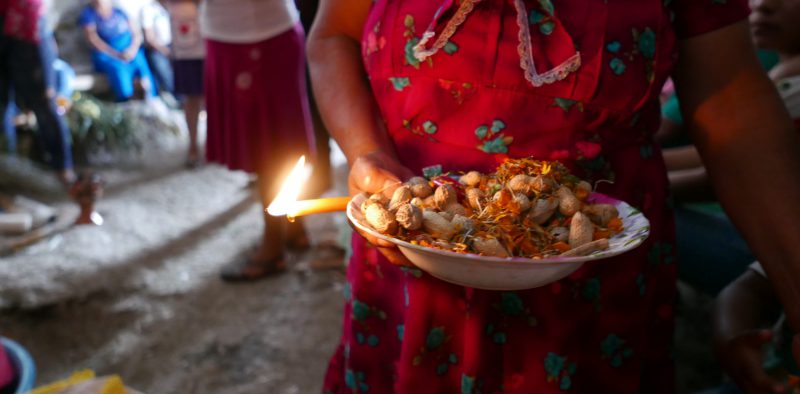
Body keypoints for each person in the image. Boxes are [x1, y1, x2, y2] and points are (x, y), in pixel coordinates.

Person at [308, 0, 800, 392]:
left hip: (591, 286)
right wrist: (364, 152)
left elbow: (732, 100)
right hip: (408, 271)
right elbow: (333, 35)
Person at [200, 0, 316, 281]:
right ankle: (294, 228)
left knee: (271, 147)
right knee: (274, 143)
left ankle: (273, 247)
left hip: (259, 35)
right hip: (236, 34)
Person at [78, 0, 157, 102]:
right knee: (118, 69)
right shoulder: (88, 14)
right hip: (108, 52)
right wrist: (116, 54)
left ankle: (151, 97)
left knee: (140, 63)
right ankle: (126, 99)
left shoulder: (119, 11)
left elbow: (136, 33)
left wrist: (132, 49)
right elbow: (93, 40)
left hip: (128, 47)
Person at [168, 0, 204, 167]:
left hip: (209, 37)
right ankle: (193, 145)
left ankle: (217, 145)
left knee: (216, 96)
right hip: (184, 47)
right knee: (191, 98)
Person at [140, 0, 174, 95]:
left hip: (174, 46)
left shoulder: (172, 6)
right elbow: (149, 39)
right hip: (157, 49)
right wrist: (166, 51)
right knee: (166, 74)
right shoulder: (148, 9)